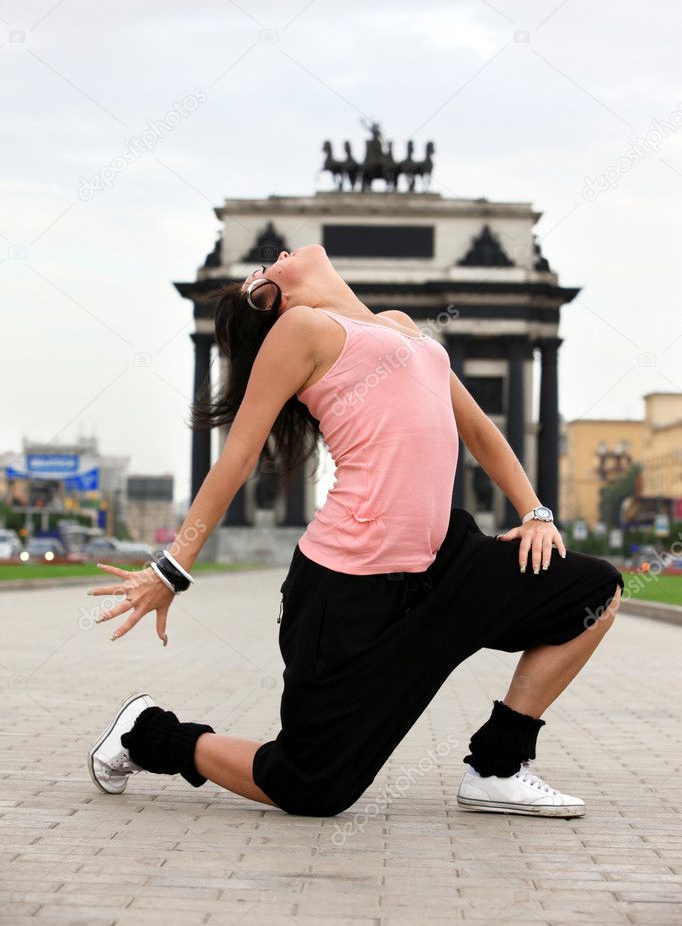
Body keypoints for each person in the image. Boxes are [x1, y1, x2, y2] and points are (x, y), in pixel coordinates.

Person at [87, 244, 624, 818]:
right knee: (309, 786)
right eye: (259, 275)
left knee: (593, 590)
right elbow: (238, 458)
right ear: (274, 298)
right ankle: (145, 734)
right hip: (346, 588)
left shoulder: (403, 329)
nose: (270, 259)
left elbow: (481, 432)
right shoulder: (300, 328)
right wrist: (172, 568)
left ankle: (497, 765)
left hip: (445, 562)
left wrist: (534, 512)